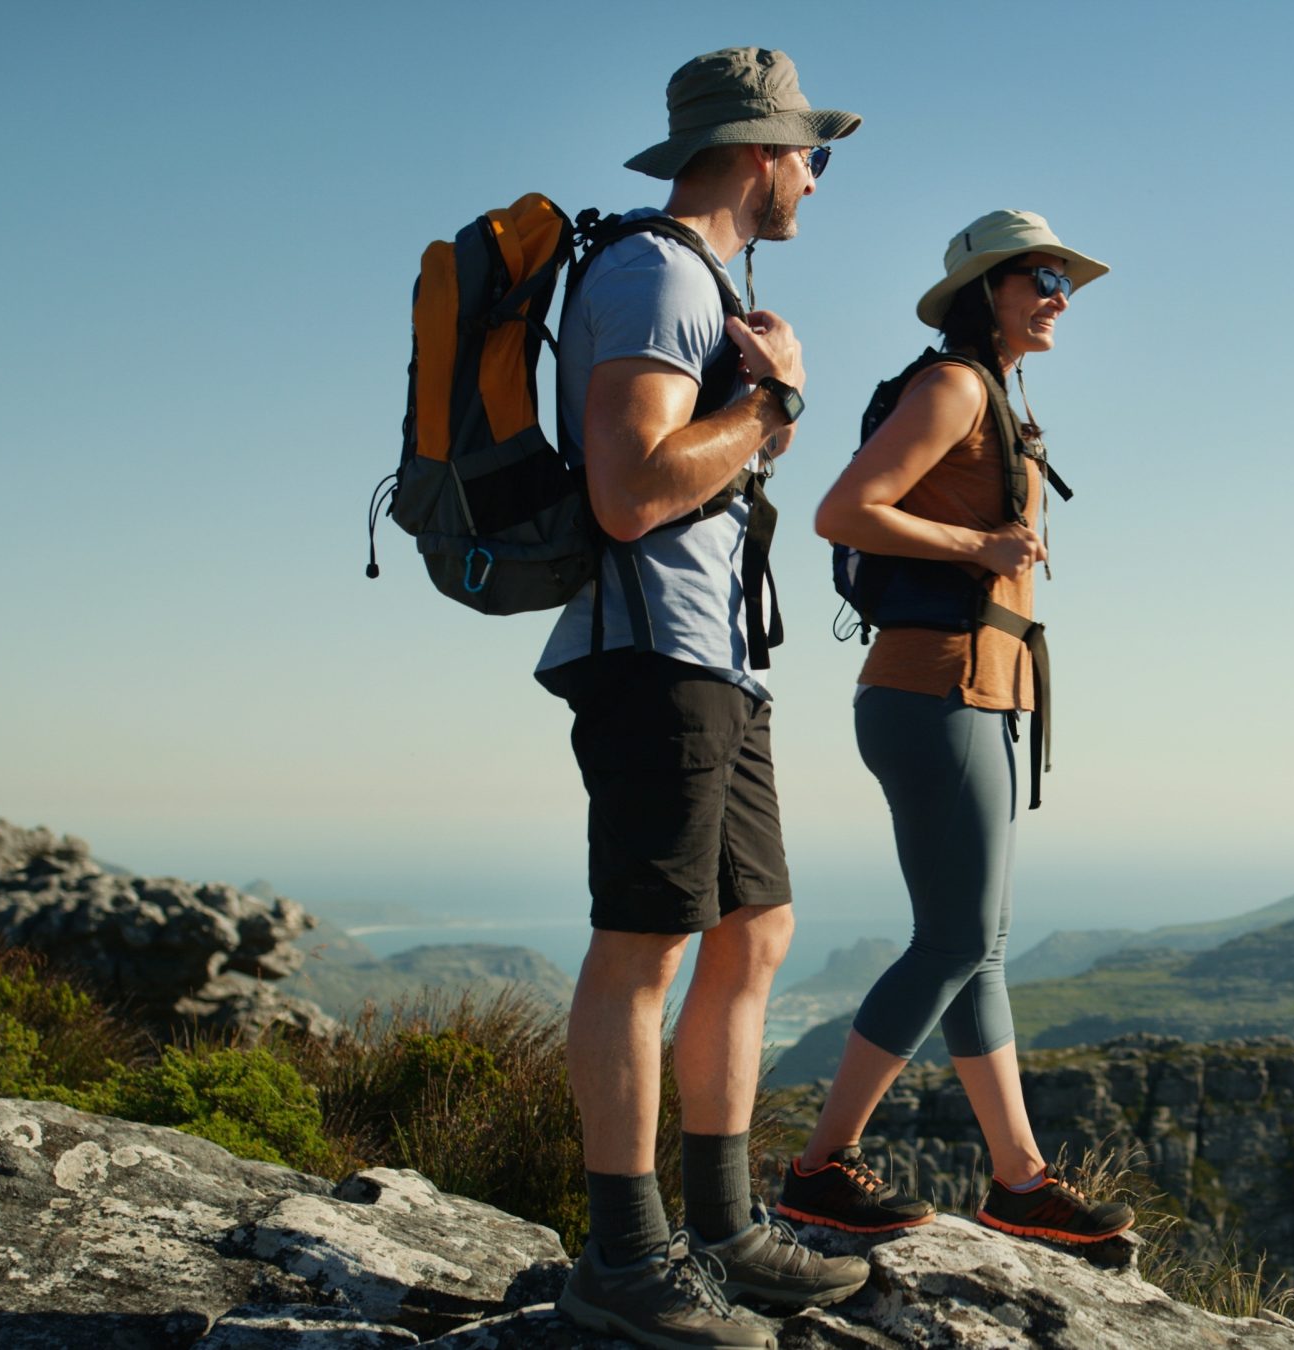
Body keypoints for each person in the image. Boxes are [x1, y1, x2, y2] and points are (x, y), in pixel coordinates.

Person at [539, 47, 865, 1350]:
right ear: (759, 152)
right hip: (654, 659)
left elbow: (693, 464)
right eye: (815, 157)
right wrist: (778, 399)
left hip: (713, 658)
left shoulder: (698, 282)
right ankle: (625, 1255)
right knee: (646, 943)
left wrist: (763, 417)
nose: (818, 183)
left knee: (757, 929)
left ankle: (724, 1227)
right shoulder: (656, 275)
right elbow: (631, 488)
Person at [785, 211, 1135, 1246]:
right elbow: (845, 510)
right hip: (932, 690)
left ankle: (1019, 1181)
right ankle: (818, 1168)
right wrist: (977, 541)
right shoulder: (951, 387)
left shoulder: (994, 396)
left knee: (977, 947)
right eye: (1039, 277)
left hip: (973, 694)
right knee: (951, 941)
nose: (1058, 296)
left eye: (1064, 280)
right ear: (985, 290)